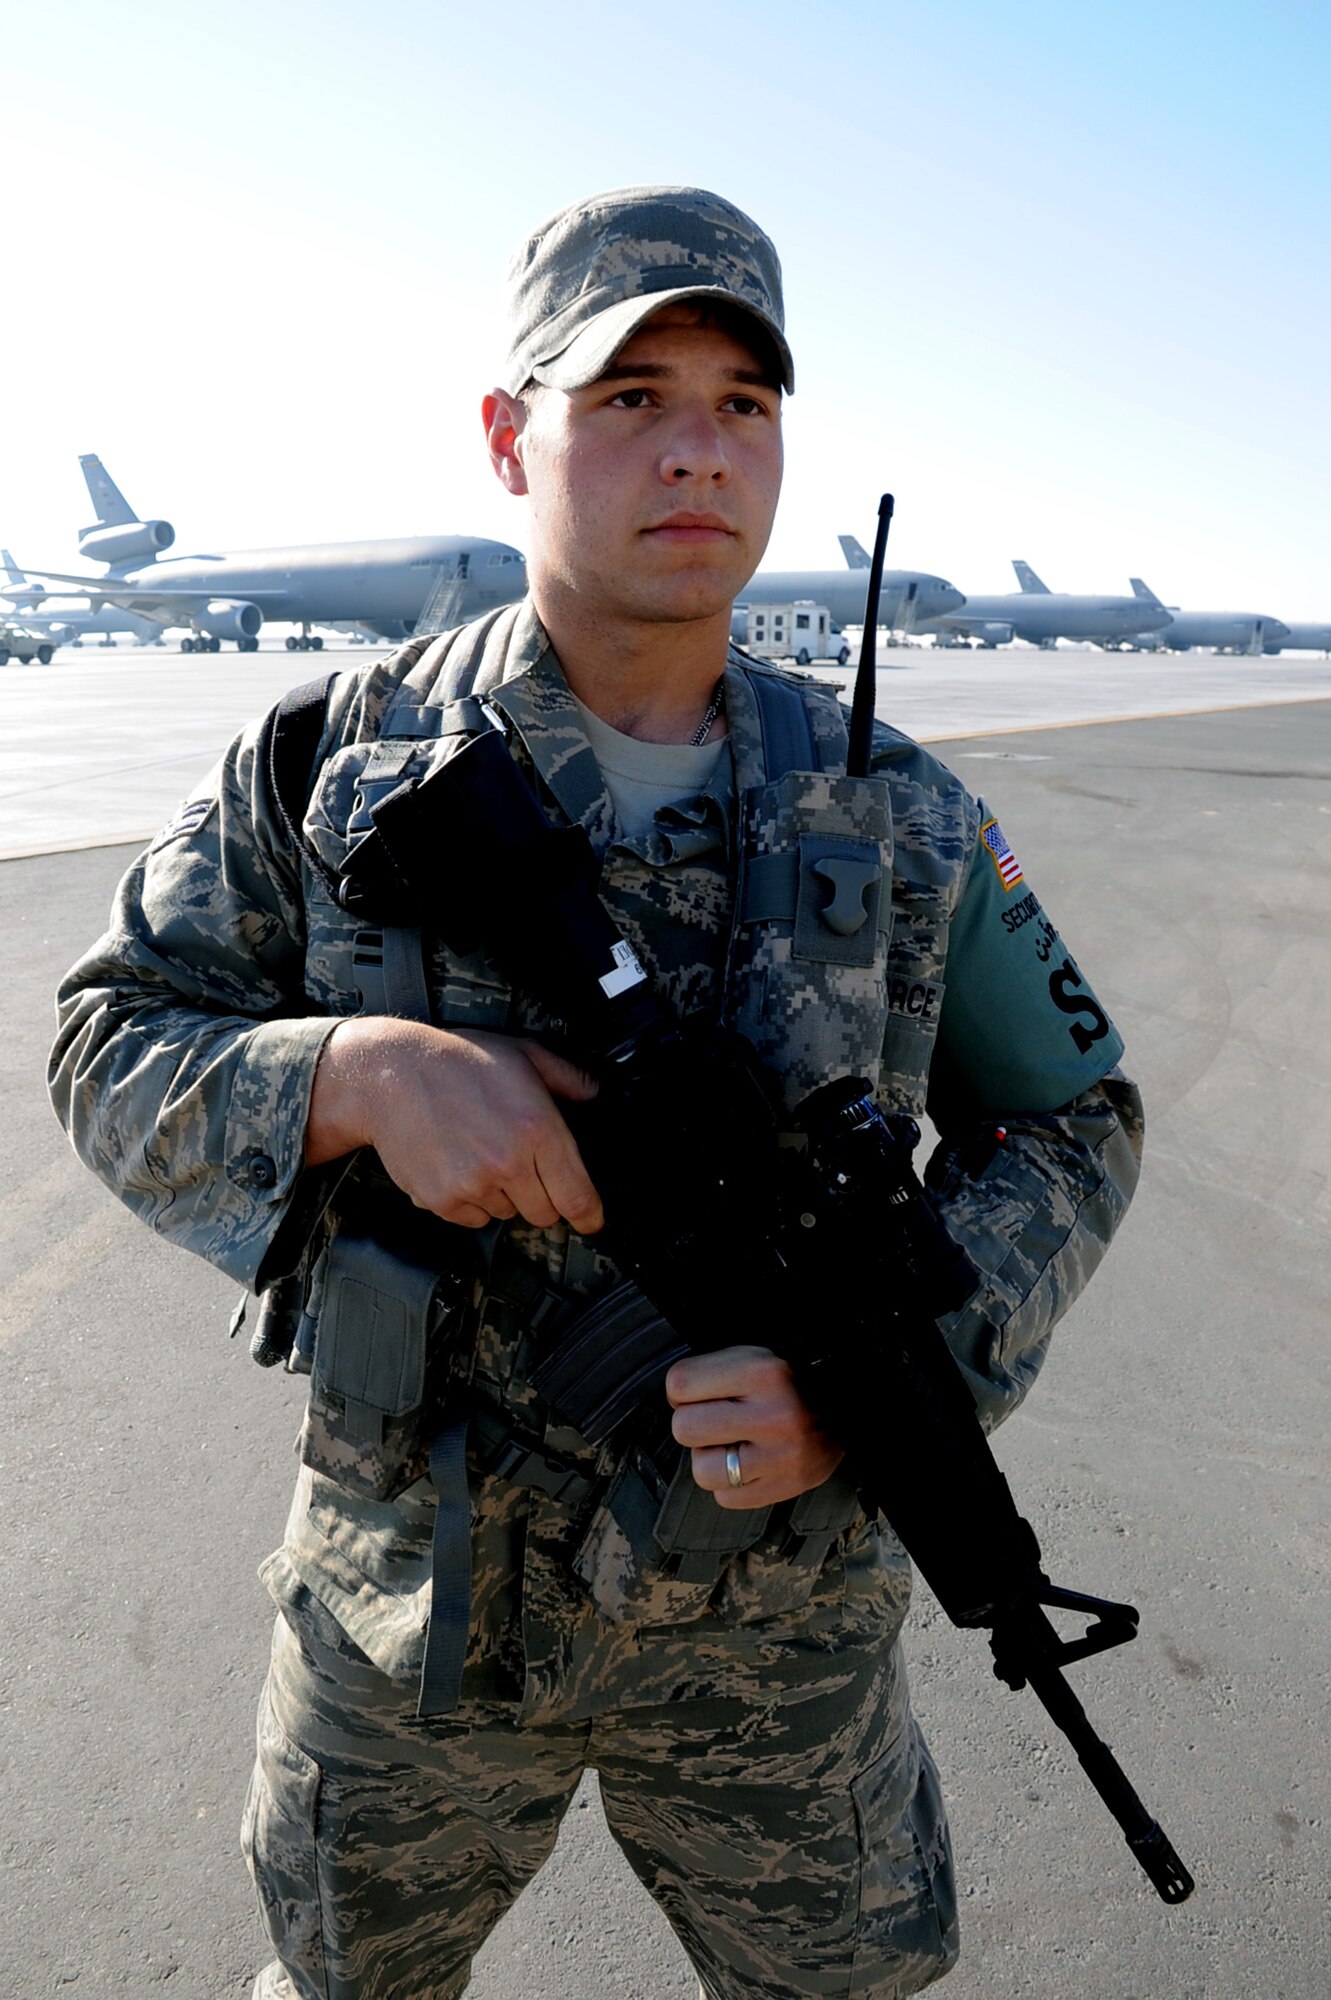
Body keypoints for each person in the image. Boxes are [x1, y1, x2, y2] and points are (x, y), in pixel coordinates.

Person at [49, 185, 1144, 2000]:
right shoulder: (332, 761)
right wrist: (354, 1078)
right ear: (511, 436)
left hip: (778, 1634)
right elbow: (108, 1036)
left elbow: (1073, 1123)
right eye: (628, 396)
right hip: (412, 1617)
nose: (696, 451)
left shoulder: (910, 811)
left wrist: (882, 1389)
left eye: (742, 403)